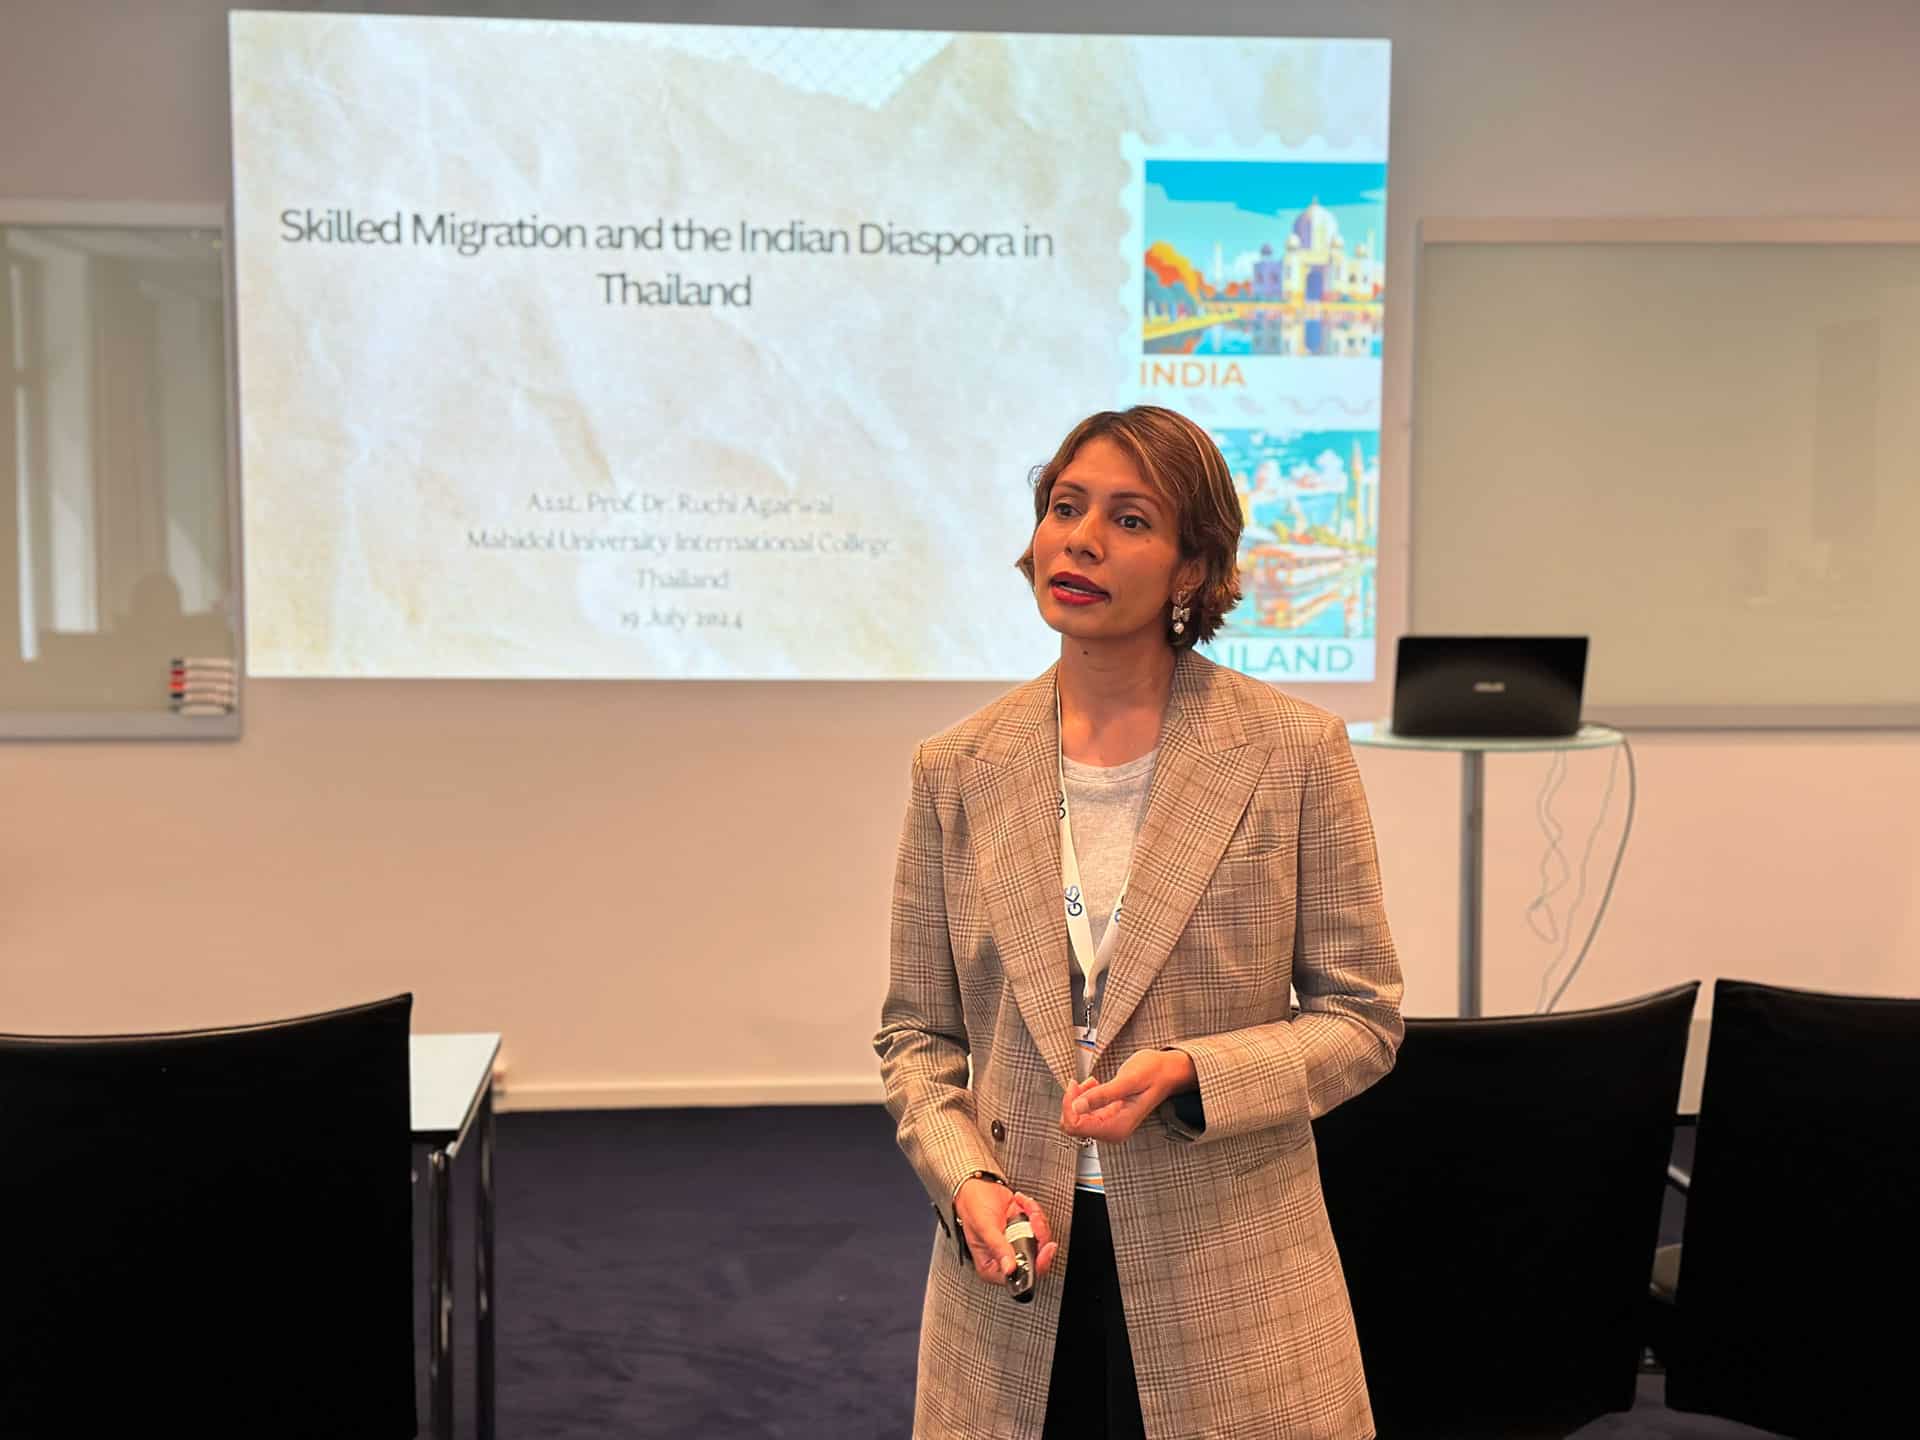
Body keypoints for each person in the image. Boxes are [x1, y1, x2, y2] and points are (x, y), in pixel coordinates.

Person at [874, 406, 1405, 1439]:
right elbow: (917, 1037)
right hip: (1016, 1270)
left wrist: (1195, 1072)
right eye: (1065, 508)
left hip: (1234, 1277)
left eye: (1128, 520)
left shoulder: (1292, 752)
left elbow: (1362, 1019)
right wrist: (965, 1178)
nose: (1080, 540)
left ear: (1192, 568)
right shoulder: (958, 767)